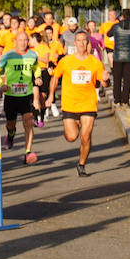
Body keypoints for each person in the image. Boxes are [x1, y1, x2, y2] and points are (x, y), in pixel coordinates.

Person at [47, 30, 112, 174]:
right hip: (70, 104)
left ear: (87, 42)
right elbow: (55, 78)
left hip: (88, 103)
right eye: (79, 40)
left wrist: (106, 80)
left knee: (86, 136)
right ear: (75, 43)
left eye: (84, 40)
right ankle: (77, 132)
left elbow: (105, 84)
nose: (82, 43)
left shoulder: (95, 62)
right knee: (72, 137)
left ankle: (81, 164)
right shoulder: (66, 61)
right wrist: (51, 96)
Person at [0, 30, 41, 164]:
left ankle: (28, 151)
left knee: (28, 121)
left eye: (25, 40)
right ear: (15, 41)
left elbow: (37, 68)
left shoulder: (32, 55)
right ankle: (11, 134)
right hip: (11, 94)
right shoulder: (8, 56)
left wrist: (37, 77)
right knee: (10, 124)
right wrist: (2, 84)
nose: (23, 43)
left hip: (27, 94)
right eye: (20, 40)